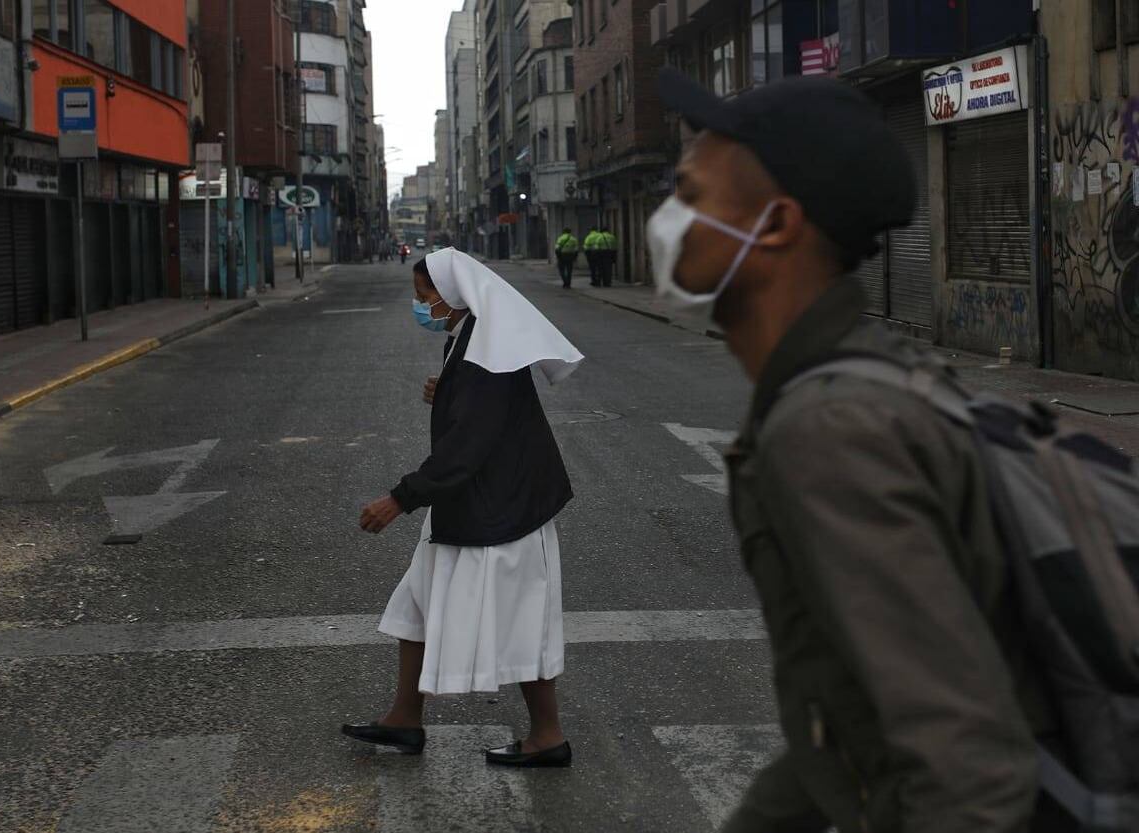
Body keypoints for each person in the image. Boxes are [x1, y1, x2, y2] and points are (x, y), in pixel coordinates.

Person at [648, 69, 1064, 832]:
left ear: (773, 226)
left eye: (690, 194)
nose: (668, 219)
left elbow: (966, 772)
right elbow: (852, 724)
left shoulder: (831, 427)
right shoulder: (866, 378)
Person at [344, 248, 584, 768]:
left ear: (452, 295)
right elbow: (479, 411)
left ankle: (547, 735)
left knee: (524, 624)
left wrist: (398, 499)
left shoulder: (481, 353)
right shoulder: (472, 339)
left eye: (425, 295)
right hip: (475, 508)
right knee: (416, 606)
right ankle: (405, 719)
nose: (420, 305)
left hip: (504, 514)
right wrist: (447, 391)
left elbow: (467, 446)